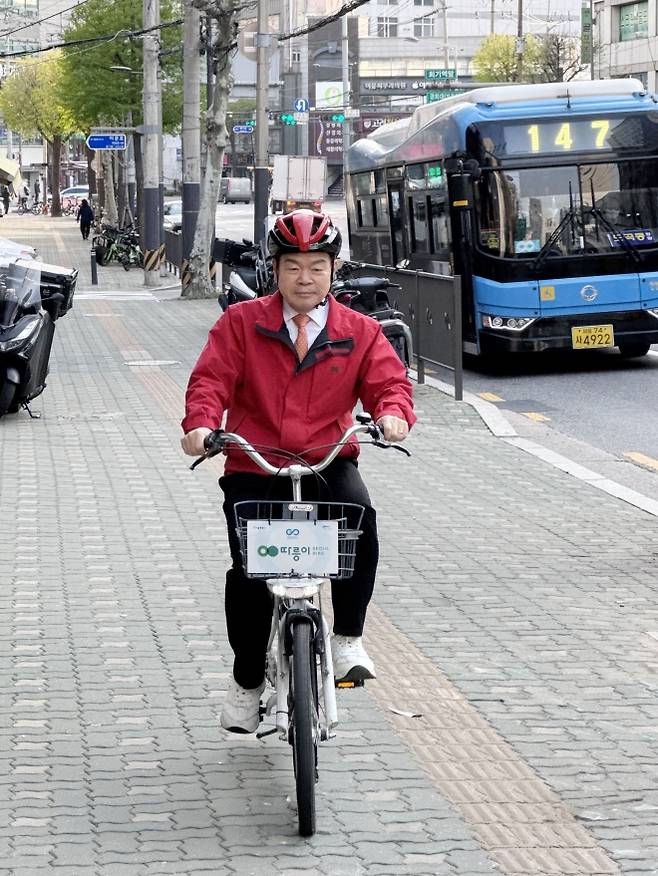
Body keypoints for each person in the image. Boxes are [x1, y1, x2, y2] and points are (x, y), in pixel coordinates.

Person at [181, 209, 416, 734]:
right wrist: (201, 425)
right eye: (293, 266)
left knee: (359, 515)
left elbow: (389, 385)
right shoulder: (240, 324)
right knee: (249, 575)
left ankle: (348, 636)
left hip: (327, 459)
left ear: (333, 270)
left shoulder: (360, 330)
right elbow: (210, 382)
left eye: (316, 266)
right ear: (275, 270)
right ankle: (245, 684)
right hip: (255, 461)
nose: (304, 278)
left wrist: (392, 415)